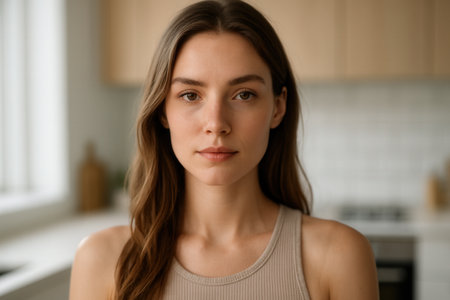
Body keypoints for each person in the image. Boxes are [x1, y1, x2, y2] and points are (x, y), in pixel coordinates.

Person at [69, 0, 379, 299]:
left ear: (278, 107)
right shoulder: (101, 260)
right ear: (162, 110)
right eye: (190, 95)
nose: (216, 123)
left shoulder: (339, 256)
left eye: (244, 94)